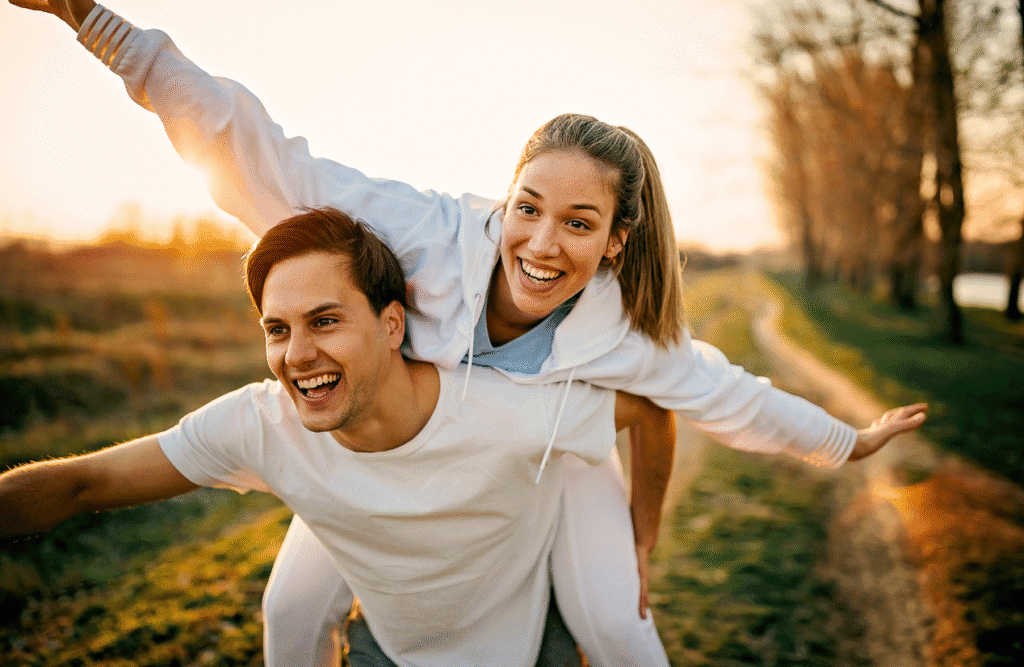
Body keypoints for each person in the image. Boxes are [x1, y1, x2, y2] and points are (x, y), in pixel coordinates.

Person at [9, 2, 930, 666]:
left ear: (616, 242)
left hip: (541, 459)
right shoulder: (422, 234)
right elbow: (252, 150)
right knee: (287, 611)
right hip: (385, 449)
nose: (540, 243)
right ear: (506, 197)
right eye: (528, 207)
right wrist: (98, 24)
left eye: (578, 223)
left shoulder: (624, 332)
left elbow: (729, 396)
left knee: (616, 623)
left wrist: (846, 440)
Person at [0, 207, 673, 667]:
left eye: (324, 321)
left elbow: (651, 409)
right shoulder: (261, 424)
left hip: (522, 648)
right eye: (277, 329)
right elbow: (85, 482)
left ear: (391, 324)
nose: (297, 355)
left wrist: (641, 536)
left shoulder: (508, 410)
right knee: (289, 608)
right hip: (387, 650)